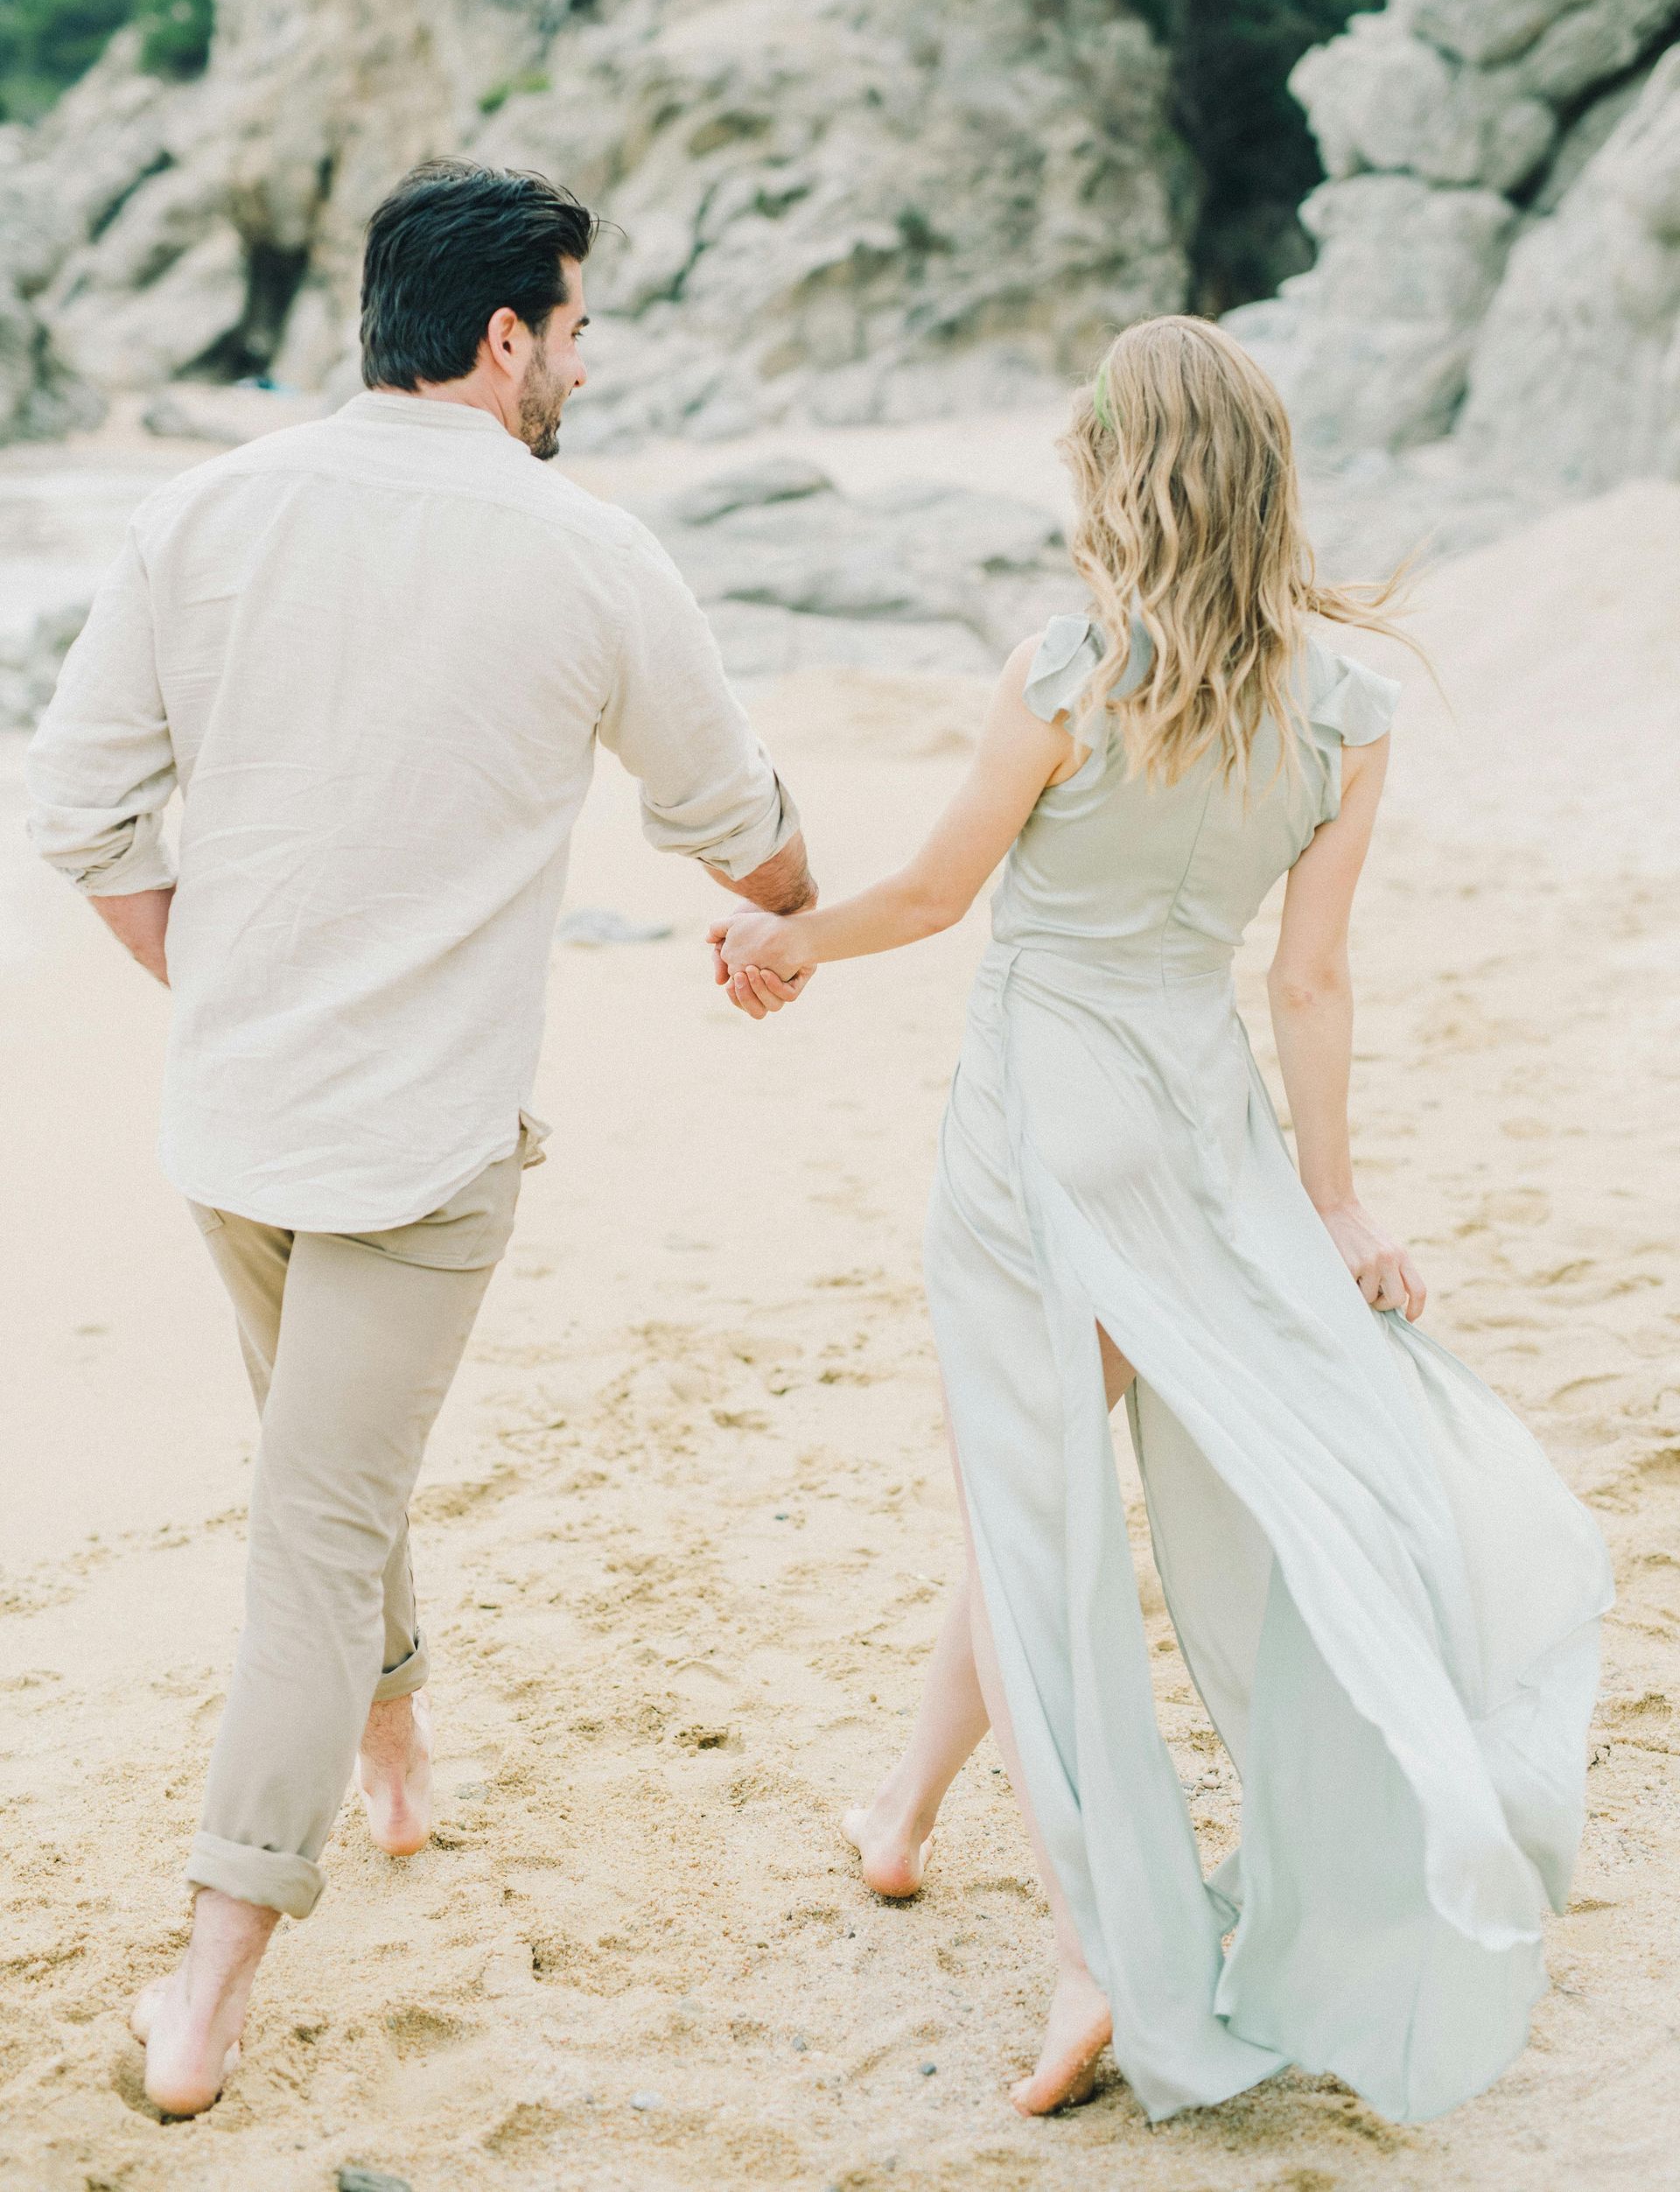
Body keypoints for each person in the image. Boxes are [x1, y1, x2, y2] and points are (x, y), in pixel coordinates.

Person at [712, 316, 1613, 2127]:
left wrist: (787, 937)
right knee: (1036, 1506)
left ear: (1118, 478)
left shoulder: (1070, 670)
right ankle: (899, 1816)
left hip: (1044, 1129)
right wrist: (1334, 1194)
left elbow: (944, 891)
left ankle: (1096, 1955)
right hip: (1199, 1130)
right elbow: (1315, 980)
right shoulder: (1341, 710)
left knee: (1036, 1522)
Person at [26, 158, 815, 2117]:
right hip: (419, 1150)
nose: (576, 364)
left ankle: (391, 1757)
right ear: (501, 337)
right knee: (317, 1514)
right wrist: (776, 907)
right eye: (570, 329)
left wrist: (214, 977)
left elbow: (81, 812)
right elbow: (748, 828)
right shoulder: (593, 554)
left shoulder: (202, 514)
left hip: (228, 1117)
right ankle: (210, 1984)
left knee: (319, 1460)